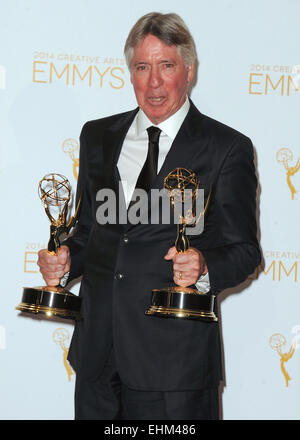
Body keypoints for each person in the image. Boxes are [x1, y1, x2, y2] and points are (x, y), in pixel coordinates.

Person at [37, 12, 261, 420]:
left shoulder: (226, 147)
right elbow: (90, 233)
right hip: (98, 360)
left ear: (189, 71)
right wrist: (66, 257)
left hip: (176, 366)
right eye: (142, 67)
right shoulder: (97, 135)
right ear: (131, 72)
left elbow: (245, 252)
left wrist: (204, 264)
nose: (153, 82)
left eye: (166, 66)